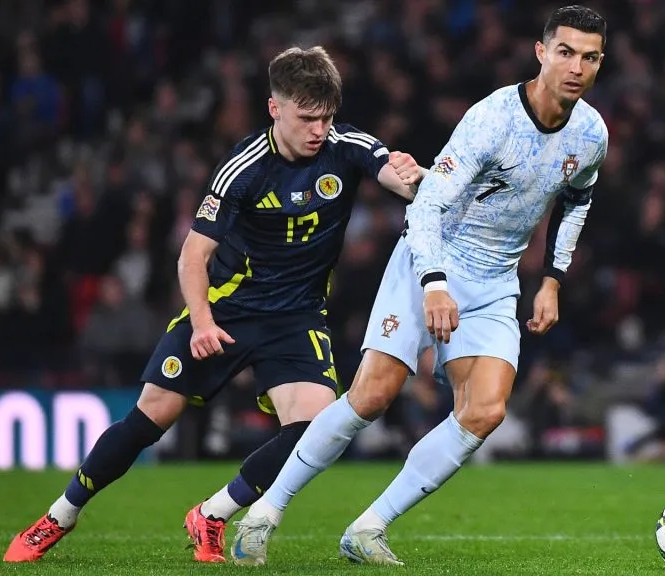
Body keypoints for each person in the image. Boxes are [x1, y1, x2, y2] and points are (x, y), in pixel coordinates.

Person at [4, 46, 425, 564]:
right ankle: (59, 516)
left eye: (327, 117)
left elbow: (401, 179)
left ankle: (214, 513)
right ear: (276, 108)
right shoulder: (242, 168)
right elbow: (191, 257)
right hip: (227, 309)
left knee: (317, 429)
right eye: (307, 117)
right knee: (149, 419)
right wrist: (202, 323)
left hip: (295, 318)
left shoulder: (346, 146)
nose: (319, 130)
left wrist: (414, 174)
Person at [231, 5, 609, 566]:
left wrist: (552, 280)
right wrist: (434, 284)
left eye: (590, 57)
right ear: (541, 52)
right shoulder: (492, 119)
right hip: (431, 259)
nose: (576, 66)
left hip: (495, 280)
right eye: (566, 52)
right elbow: (428, 205)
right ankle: (263, 515)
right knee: (371, 396)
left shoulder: (592, 132)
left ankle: (369, 527)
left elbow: (578, 198)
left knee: (485, 410)